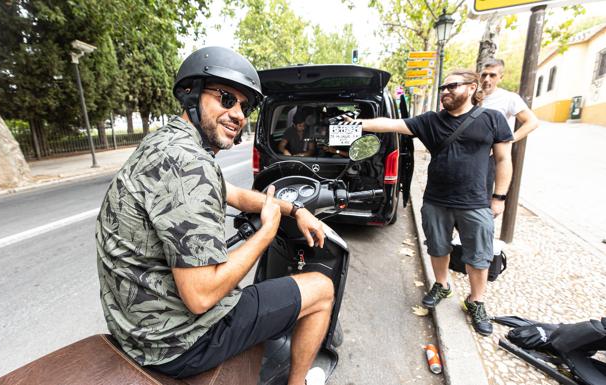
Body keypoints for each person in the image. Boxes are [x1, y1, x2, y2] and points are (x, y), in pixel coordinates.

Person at [95, 46, 332, 385]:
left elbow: (233, 195)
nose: (238, 114)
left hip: (135, 325)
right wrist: (267, 233)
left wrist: (294, 209)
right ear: (191, 94)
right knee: (321, 289)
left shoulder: (166, 142)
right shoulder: (191, 164)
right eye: (225, 98)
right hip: (179, 341)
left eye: (244, 106)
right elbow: (201, 296)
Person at [351, 69, 513, 336]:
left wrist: (500, 197)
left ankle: (476, 301)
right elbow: (392, 124)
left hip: (476, 202)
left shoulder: (492, 119)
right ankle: (442, 284)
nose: (445, 91)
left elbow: (504, 160)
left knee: (479, 256)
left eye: (452, 86)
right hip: (436, 200)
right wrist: (356, 124)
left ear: (472, 88)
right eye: (443, 88)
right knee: (437, 247)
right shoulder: (431, 121)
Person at [480, 58, 539, 195]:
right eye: (484, 74)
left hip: (488, 157)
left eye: (492, 75)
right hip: (465, 153)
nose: (487, 79)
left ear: (500, 77)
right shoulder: (471, 94)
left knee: (482, 198)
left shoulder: (508, 98)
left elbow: (532, 122)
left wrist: (508, 140)